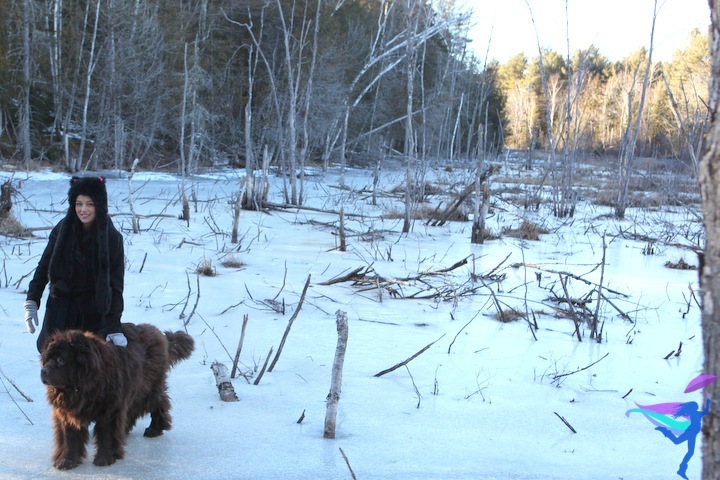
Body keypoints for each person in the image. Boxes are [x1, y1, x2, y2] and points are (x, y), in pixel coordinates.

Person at [24, 176, 127, 352]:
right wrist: (32, 300)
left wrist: (114, 326)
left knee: (86, 365)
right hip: (59, 310)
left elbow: (115, 286)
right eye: (79, 204)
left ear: (99, 205)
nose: (83, 209)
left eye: (90, 204)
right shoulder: (62, 230)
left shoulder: (112, 238)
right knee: (53, 362)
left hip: (92, 314)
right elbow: (44, 267)